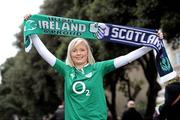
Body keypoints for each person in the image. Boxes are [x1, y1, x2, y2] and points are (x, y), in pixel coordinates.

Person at [24, 15, 163, 120]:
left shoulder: (98, 68)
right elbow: (45, 54)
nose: (78, 53)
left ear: (87, 52)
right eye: (74, 50)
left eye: (82, 50)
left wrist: (151, 44)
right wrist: (32, 30)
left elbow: (127, 58)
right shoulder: (67, 70)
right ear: (70, 54)